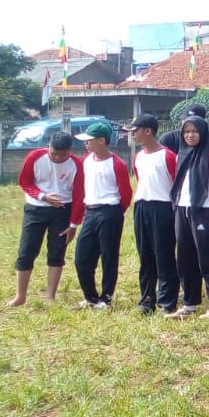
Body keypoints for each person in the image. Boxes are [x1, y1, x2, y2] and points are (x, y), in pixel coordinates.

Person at [9, 131, 82, 307]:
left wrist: (73, 225)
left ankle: (50, 296)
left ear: (70, 151)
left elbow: (79, 195)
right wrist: (43, 196)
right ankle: (20, 296)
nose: (57, 158)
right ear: (48, 146)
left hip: (63, 211)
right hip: (36, 209)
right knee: (26, 251)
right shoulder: (35, 157)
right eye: (53, 153)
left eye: (62, 155)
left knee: (57, 252)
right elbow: (25, 182)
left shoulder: (76, 165)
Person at [170, 115, 209, 318]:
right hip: (183, 208)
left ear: (203, 132)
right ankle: (190, 302)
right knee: (185, 257)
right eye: (186, 132)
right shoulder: (182, 154)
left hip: (207, 210)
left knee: (207, 257)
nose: (190, 135)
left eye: (194, 131)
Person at [67, 121, 132, 309]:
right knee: (82, 257)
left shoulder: (116, 164)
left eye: (90, 140)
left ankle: (106, 298)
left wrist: (115, 213)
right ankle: (90, 297)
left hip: (110, 211)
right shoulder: (87, 160)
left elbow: (125, 193)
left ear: (102, 141)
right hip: (90, 211)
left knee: (108, 256)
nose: (86, 143)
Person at [126, 114, 179, 314]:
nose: (132, 135)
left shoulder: (168, 156)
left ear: (148, 131)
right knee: (145, 255)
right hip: (142, 206)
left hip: (163, 207)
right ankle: (147, 299)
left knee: (163, 255)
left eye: (135, 130)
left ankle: (167, 301)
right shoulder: (138, 156)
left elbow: (176, 184)